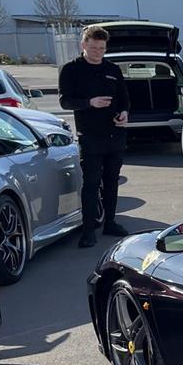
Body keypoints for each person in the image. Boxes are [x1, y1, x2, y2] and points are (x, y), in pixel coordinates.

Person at [59, 25, 129, 248]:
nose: (98, 52)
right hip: (90, 136)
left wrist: (125, 113)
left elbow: (124, 98)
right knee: (91, 183)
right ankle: (88, 230)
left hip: (114, 135)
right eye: (93, 47)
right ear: (83, 46)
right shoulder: (71, 70)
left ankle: (110, 222)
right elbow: (65, 101)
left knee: (111, 181)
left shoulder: (113, 69)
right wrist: (90, 103)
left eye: (102, 48)